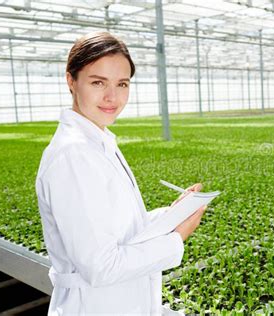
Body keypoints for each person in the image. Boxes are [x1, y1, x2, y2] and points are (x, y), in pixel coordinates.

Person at [35, 31, 206, 315]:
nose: (112, 96)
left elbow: (116, 227)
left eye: (122, 83)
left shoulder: (97, 141)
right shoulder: (73, 155)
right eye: (98, 82)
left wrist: (169, 215)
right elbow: (101, 267)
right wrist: (176, 239)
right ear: (71, 81)